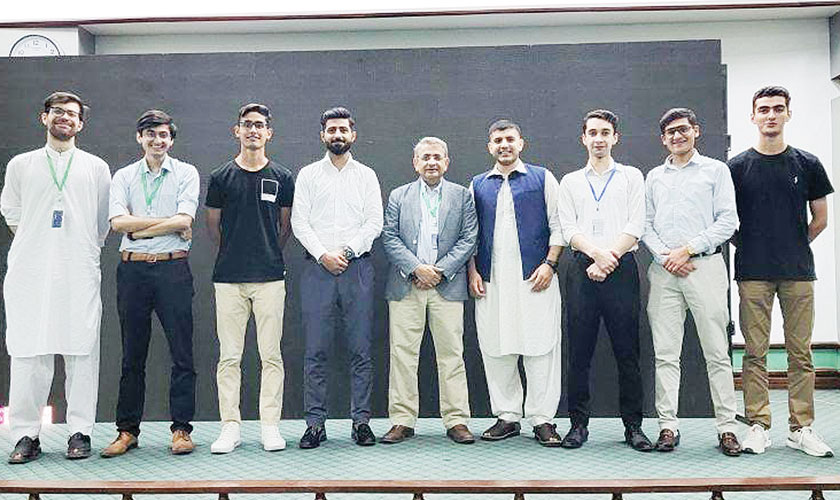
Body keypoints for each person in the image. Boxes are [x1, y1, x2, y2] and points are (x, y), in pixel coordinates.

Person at [1, 91, 111, 463]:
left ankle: (80, 432)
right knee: (28, 352)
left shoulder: (96, 167)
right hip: (30, 270)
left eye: (72, 114)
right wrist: (40, 243)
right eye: (58, 111)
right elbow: (12, 212)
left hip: (78, 268)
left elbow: (101, 223)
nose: (65, 117)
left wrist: (76, 247)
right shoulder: (21, 164)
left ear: (81, 124)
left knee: (82, 351)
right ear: (44, 117)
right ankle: (26, 435)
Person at [730, 86, 834, 458]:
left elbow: (820, 219)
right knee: (754, 353)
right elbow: (728, 223)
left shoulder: (808, 163)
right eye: (764, 109)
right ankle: (758, 425)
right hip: (753, 273)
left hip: (798, 273)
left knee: (800, 353)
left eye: (777, 108)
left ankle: (801, 428)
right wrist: (753, 247)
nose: (771, 115)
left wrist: (793, 245)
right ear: (753, 116)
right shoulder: (736, 168)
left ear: (788, 113)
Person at [642, 107, 742, 456]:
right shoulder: (654, 177)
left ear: (696, 131)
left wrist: (687, 250)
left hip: (705, 268)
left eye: (683, 129)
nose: (677, 136)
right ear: (663, 139)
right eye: (670, 132)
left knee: (717, 353)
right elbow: (646, 224)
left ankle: (727, 428)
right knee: (666, 355)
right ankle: (667, 427)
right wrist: (666, 257)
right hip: (664, 273)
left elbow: (728, 221)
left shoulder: (716, 171)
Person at [101, 110, 199, 457]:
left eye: (163, 135)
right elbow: (117, 223)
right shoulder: (124, 176)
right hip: (133, 271)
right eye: (151, 134)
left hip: (173, 269)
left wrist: (139, 229)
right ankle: (127, 431)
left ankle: (181, 430)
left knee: (182, 354)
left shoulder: (186, 173)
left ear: (171, 140)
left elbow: (185, 219)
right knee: (132, 354)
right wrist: (167, 223)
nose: (158, 140)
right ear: (139, 138)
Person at [557, 109, 653, 452]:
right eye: (593, 133)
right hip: (582, 268)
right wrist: (596, 255)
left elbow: (636, 224)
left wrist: (608, 257)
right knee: (579, 352)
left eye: (605, 132)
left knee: (628, 352)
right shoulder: (570, 181)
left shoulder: (631, 177)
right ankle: (578, 425)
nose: (599, 138)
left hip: (621, 267)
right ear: (583, 138)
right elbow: (568, 228)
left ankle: (634, 427)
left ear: (615, 138)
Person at [467, 119, 564, 447]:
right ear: (489, 147)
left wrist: (550, 264)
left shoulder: (542, 178)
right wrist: (473, 272)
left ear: (521, 143)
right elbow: (470, 234)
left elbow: (559, 225)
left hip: (536, 278)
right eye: (498, 140)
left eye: (509, 139)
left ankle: (542, 419)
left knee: (541, 347)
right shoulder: (478, 184)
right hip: (491, 280)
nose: (504, 145)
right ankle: (507, 416)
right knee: (496, 347)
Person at [291, 106, 383, 449]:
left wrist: (345, 252)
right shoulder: (308, 175)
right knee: (315, 350)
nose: (338, 135)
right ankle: (315, 424)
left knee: (361, 349)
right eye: (332, 130)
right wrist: (323, 255)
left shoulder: (367, 176)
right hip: (318, 269)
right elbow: (300, 222)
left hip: (356, 268)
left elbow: (374, 222)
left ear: (353, 135)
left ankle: (361, 422)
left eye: (343, 130)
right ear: (322, 135)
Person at [205, 103, 295, 453]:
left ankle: (270, 426)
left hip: (270, 278)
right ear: (237, 131)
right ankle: (230, 427)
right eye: (247, 124)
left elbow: (284, 227)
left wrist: (265, 252)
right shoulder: (220, 177)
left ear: (269, 133)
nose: (253, 130)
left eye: (259, 125)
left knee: (271, 355)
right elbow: (213, 226)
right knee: (229, 357)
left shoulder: (282, 177)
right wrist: (236, 252)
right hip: (229, 279)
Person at [381, 136, 478, 445]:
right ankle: (402, 420)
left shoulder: (462, 196)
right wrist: (416, 269)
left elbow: (469, 238)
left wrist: (439, 271)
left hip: (447, 285)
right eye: (426, 157)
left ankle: (456, 420)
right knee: (402, 355)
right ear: (416, 163)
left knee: (452, 355)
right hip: (406, 285)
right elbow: (389, 236)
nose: (432, 162)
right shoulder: (399, 196)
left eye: (437, 157)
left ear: (446, 162)